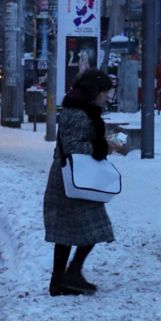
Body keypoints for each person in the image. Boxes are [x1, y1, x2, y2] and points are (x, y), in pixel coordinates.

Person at [43, 67, 115, 296]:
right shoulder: (77, 113)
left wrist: (103, 143)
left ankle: (64, 279)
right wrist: (103, 147)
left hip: (78, 177)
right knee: (87, 229)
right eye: (104, 92)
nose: (106, 96)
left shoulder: (85, 110)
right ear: (92, 92)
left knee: (73, 231)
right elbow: (74, 146)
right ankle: (65, 278)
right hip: (70, 178)